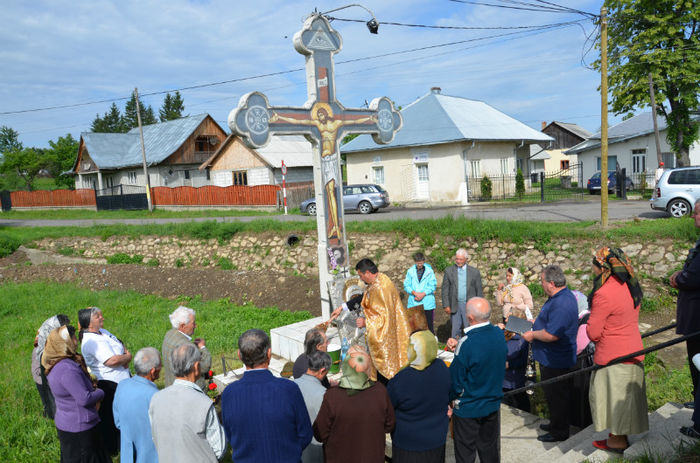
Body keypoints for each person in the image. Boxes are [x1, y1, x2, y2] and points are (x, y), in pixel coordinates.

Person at [587, 247, 648, 453]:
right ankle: (618, 437)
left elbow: (594, 333)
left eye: (594, 266)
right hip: (633, 349)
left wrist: (586, 324)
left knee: (614, 400)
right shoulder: (630, 286)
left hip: (613, 355)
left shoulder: (603, 293)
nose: (593, 270)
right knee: (625, 399)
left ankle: (616, 442)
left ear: (602, 267)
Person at [221, 329, 312, 463]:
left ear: (239, 355)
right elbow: (305, 433)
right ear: (269, 354)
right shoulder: (288, 389)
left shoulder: (229, 393)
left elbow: (231, 434)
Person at [522, 265, 578, 443]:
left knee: (558, 396)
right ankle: (556, 423)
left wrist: (532, 334)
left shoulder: (562, 303)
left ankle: (559, 431)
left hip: (556, 360)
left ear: (551, 283)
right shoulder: (558, 297)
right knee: (552, 395)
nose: (541, 284)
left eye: (542, 281)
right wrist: (535, 322)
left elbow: (552, 334)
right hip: (550, 357)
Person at [446, 297, 507, 463]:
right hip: (492, 403)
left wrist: (449, 399)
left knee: (465, 454)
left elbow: (456, 380)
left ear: (470, 318)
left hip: (469, 407)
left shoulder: (467, 343)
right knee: (489, 450)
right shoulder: (498, 334)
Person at [314, 344, 395, 463]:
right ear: (367, 368)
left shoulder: (333, 397)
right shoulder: (380, 391)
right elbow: (390, 425)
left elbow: (319, 433)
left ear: (346, 367)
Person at [43, 325, 109, 463]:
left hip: (67, 421)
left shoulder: (54, 363)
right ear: (63, 343)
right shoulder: (67, 369)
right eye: (73, 338)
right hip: (80, 427)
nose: (76, 341)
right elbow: (84, 399)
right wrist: (101, 392)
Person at [149, 343, 225, 463]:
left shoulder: (156, 399)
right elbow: (219, 448)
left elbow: (156, 438)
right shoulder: (203, 403)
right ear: (195, 367)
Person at [343, 258, 413, 383]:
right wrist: (343, 307)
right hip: (390, 331)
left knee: (385, 370)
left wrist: (366, 322)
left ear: (367, 273)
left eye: (361, 276)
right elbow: (364, 297)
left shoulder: (381, 288)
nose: (361, 279)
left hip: (384, 337)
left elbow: (385, 317)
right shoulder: (380, 279)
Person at [387, 330, 451, 462]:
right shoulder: (442, 368)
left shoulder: (402, 379)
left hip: (408, 444)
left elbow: (388, 405)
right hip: (436, 441)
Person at [79, 307, 131, 457]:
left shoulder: (103, 332)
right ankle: (113, 448)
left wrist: (125, 355)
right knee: (111, 417)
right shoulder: (90, 341)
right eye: (98, 316)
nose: (102, 318)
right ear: (89, 323)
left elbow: (119, 344)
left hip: (121, 381)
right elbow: (111, 360)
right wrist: (127, 358)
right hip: (109, 384)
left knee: (121, 414)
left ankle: (122, 443)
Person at [670, 199, 700, 409]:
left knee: (697, 361)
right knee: (694, 363)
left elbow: (693, 277)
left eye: (697, 213)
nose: (693, 216)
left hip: (697, 318)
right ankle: (697, 399)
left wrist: (678, 279)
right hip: (694, 316)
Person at [113, 347, 161, 463]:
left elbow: (118, 422)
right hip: (151, 457)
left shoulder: (122, 386)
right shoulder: (155, 396)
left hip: (128, 456)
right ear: (153, 371)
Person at [293, 350, 332, 463]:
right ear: (322, 370)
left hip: (295, 443)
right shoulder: (323, 394)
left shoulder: (293, 384)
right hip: (315, 449)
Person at [162, 306, 212, 389]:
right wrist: (202, 347)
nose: (195, 326)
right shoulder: (188, 347)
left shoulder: (169, 334)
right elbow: (205, 366)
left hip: (171, 386)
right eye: (193, 323)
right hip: (189, 391)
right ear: (182, 326)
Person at [33, 314, 70, 419]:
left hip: (45, 356)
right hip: (45, 358)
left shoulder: (49, 324)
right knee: (50, 389)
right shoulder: (53, 329)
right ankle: (54, 416)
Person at [442, 248, 484, 339]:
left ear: (466, 259)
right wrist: (446, 305)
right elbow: (445, 289)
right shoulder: (449, 271)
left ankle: (470, 347)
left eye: (461, 259)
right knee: (455, 329)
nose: (458, 261)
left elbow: (479, 290)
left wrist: (480, 307)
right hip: (455, 304)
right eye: (457, 259)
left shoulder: (474, 272)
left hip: (469, 306)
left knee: (470, 328)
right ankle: (455, 349)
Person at [500, 308, 531, 413]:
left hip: (515, 381)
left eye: (509, 317)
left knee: (521, 406)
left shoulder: (523, 339)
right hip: (501, 380)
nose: (505, 319)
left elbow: (525, 360)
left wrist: (509, 364)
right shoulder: (503, 334)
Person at [403, 252, 438, 333]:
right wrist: (414, 293)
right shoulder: (410, 271)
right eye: (418, 263)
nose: (419, 264)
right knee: (415, 327)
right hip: (414, 303)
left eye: (421, 262)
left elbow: (432, 285)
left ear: (424, 261)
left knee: (429, 326)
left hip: (427, 303)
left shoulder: (430, 271)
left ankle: (431, 343)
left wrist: (423, 294)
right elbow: (406, 285)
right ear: (415, 262)